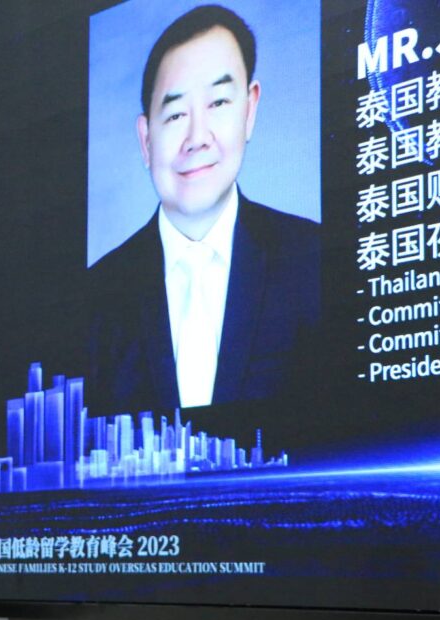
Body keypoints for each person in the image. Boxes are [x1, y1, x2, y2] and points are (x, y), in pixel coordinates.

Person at [88, 4, 319, 413]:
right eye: (176, 113)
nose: (197, 138)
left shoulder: (314, 259)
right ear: (146, 140)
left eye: (218, 103)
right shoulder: (97, 294)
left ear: (249, 110)